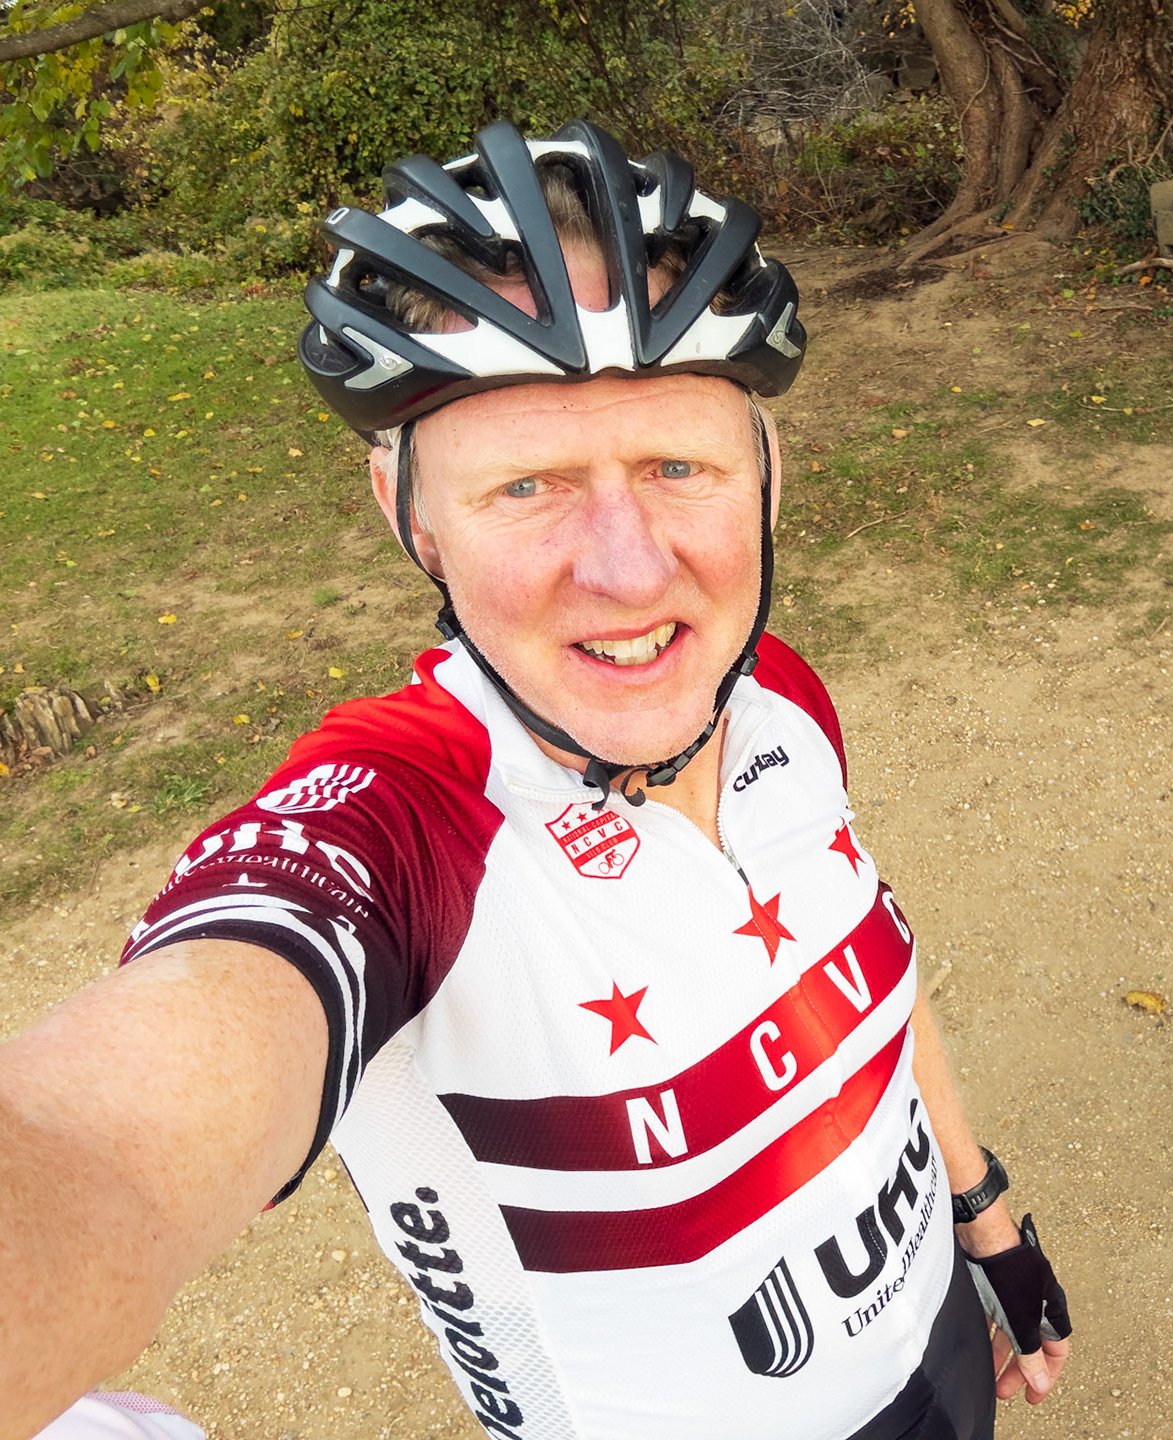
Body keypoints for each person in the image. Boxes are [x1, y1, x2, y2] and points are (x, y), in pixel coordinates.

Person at [0, 118, 1069, 1440]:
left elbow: (864, 985)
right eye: (530, 486)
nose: (627, 572)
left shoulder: (776, 688)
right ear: (408, 513)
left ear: (771, 477)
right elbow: (95, 1147)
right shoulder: (406, 825)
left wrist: (983, 1210)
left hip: (937, 1350)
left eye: (679, 468)